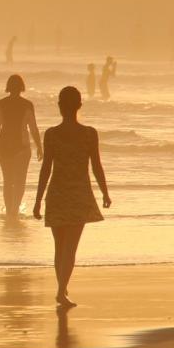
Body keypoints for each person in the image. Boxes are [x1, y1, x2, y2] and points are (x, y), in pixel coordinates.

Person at [33, 86, 111, 308]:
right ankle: (61, 290)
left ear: (60, 106)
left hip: (57, 194)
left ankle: (62, 288)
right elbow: (96, 166)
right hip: (79, 194)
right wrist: (105, 192)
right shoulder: (89, 133)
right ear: (79, 106)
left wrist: (38, 200)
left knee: (60, 247)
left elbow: (45, 169)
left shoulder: (52, 134)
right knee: (71, 248)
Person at [0, 75, 43, 220]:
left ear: (8, 86)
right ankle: (14, 211)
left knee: (8, 181)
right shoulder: (28, 105)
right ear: (22, 87)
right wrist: (40, 146)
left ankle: (10, 211)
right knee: (20, 181)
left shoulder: (0, 104)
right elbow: (33, 128)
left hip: (3, 147)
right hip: (22, 147)